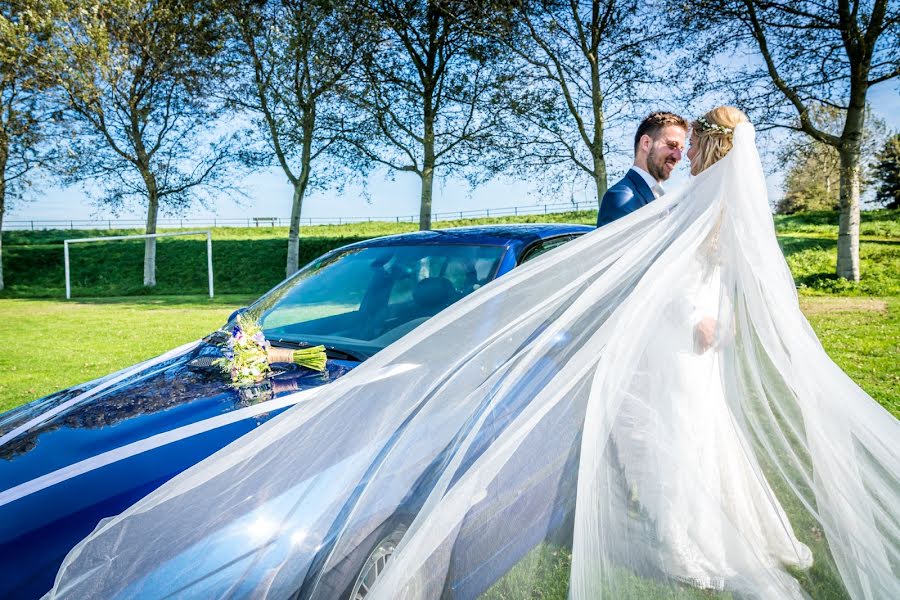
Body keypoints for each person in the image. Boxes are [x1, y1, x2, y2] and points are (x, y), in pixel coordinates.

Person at [47, 110, 899, 600]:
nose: (678, 157)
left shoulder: (670, 209)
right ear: (649, 146)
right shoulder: (636, 198)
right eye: (668, 147)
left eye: (687, 148)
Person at [597, 112, 688, 227]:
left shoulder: (658, 194)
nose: (678, 157)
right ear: (646, 143)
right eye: (672, 145)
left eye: (681, 149)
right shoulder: (622, 197)